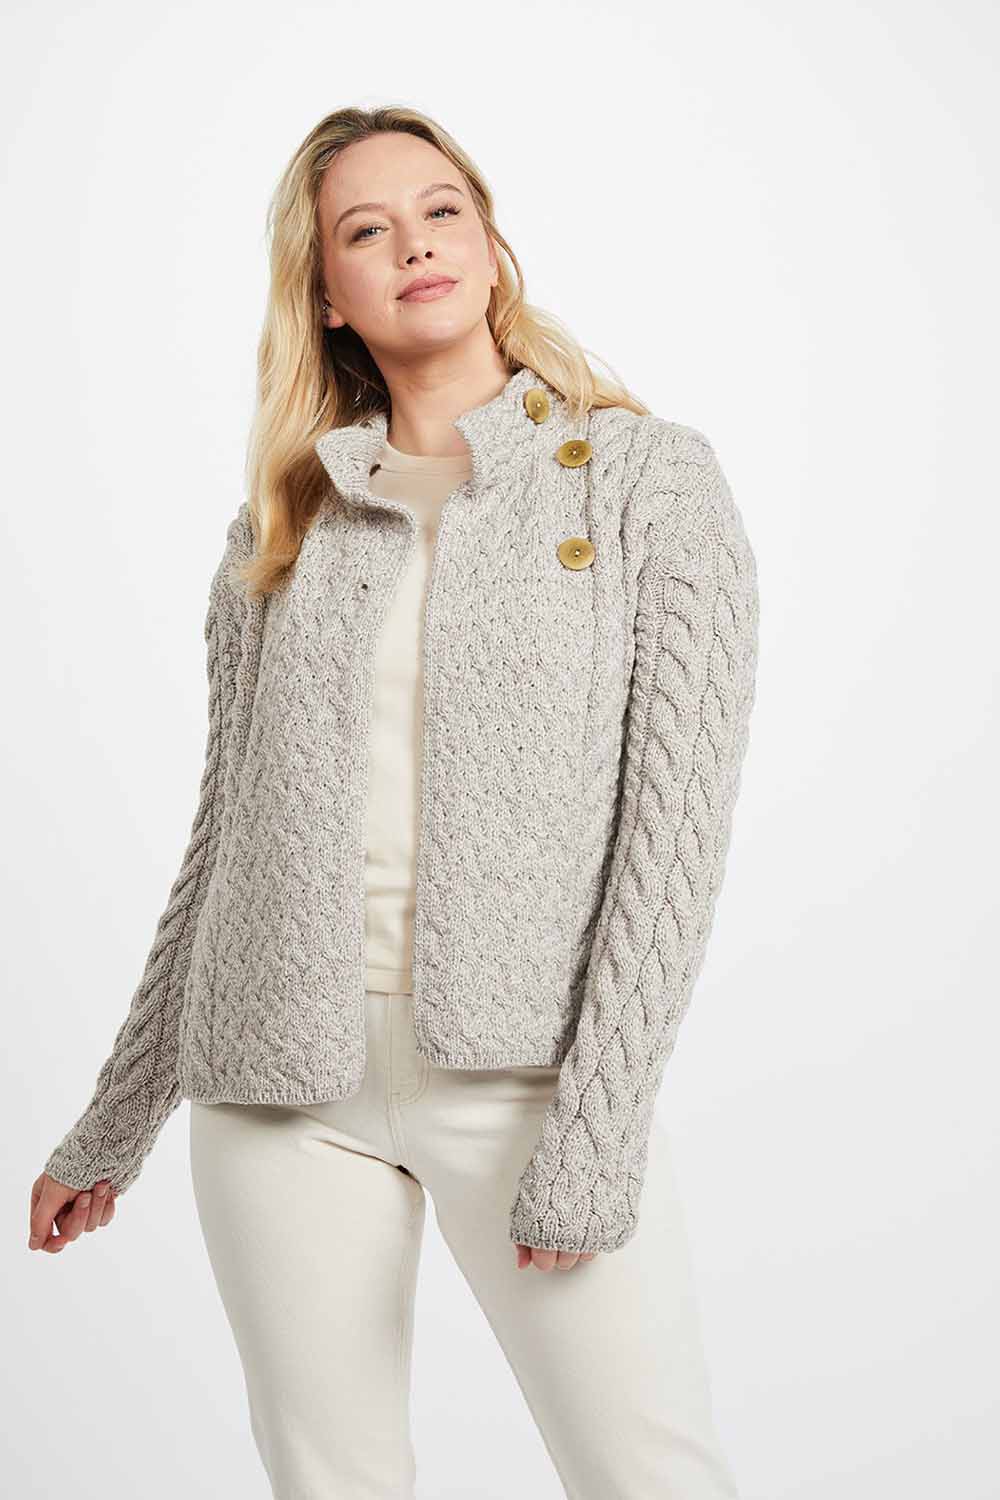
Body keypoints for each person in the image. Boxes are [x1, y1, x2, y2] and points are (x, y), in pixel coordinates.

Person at [30, 104, 759, 1499]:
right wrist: (116, 1119)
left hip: (530, 1085)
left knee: (649, 1471)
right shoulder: (285, 522)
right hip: (280, 1091)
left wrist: (599, 1131)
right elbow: (224, 837)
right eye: (367, 230)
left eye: (441, 211)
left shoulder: (646, 484)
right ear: (325, 291)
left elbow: (674, 840)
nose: (415, 245)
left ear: (488, 243)